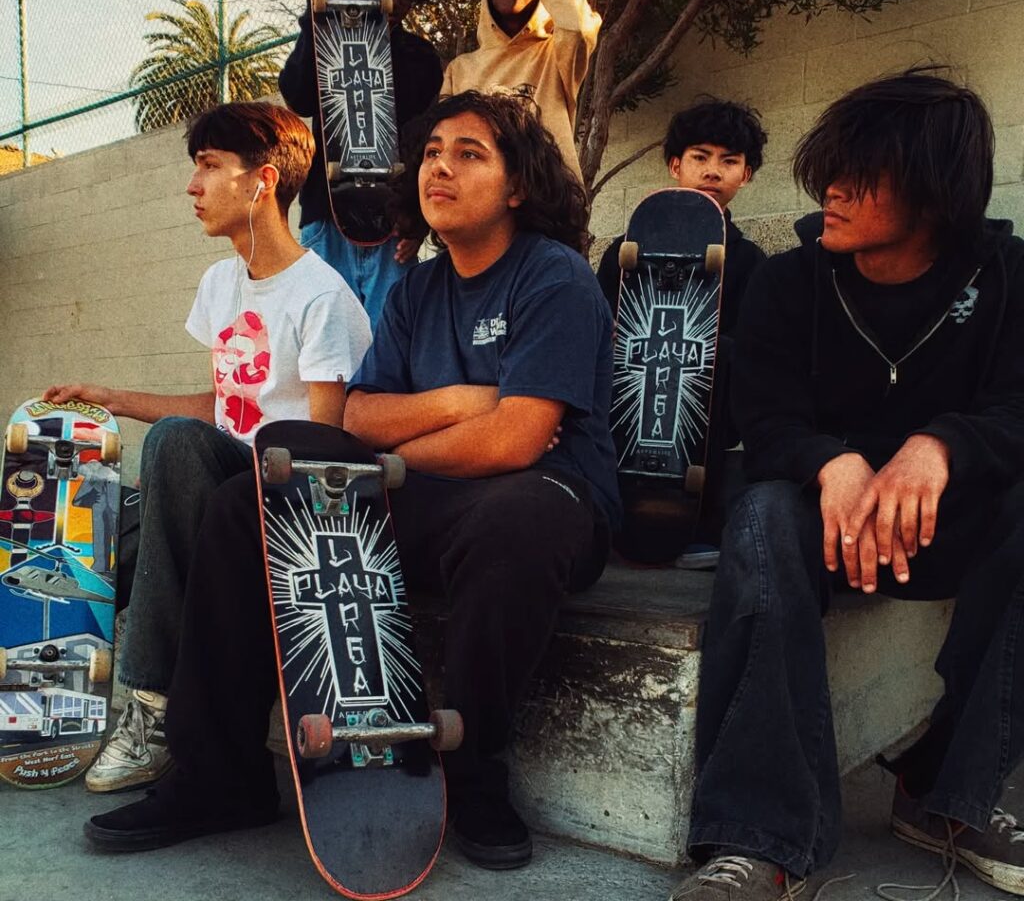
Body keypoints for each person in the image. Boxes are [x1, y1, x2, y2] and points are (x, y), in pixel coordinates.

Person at [82, 92, 621, 874]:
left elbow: (518, 440)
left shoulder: (555, 278)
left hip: (550, 498)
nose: (440, 166)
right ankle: (217, 778)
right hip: (433, 496)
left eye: (468, 153)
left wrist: (411, 445)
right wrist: (452, 409)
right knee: (246, 505)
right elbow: (358, 419)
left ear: (517, 187)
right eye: (432, 151)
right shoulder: (417, 292)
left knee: (518, 519)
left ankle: (472, 777)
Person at [671, 69, 1024, 901]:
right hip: (820, 524)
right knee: (760, 515)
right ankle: (760, 837)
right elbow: (763, 414)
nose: (831, 188)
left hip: (953, 522)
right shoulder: (791, 281)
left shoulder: (1006, 274)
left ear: (934, 192)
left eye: (862, 174)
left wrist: (940, 446)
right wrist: (830, 459)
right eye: (831, 166)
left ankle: (953, 797)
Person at [45, 102, 372, 795]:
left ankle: (152, 710)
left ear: (262, 182)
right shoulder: (219, 284)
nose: (193, 187)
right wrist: (115, 399)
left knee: (170, 468)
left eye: (209, 167)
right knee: (100, 517)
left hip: (283, 498)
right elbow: (223, 412)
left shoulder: (322, 299)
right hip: (219, 484)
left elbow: (324, 445)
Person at [279, 0, 448, 327]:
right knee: (322, 353)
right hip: (327, 214)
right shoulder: (326, 41)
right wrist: (314, 9)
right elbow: (297, 94)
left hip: (391, 231)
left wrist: (417, 219)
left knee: (388, 352)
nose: (395, 1)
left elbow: (418, 142)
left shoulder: (421, 60)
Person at [596, 98, 768, 336]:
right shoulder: (626, 249)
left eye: (729, 161)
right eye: (700, 157)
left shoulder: (751, 261)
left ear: (745, 175)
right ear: (675, 166)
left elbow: (753, 348)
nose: (713, 172)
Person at [442, 0, 601, 185]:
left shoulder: (555, 53)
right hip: (478, 208)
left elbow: (580, 26)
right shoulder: (459, 69)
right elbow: (444, 144)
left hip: (547, 209)